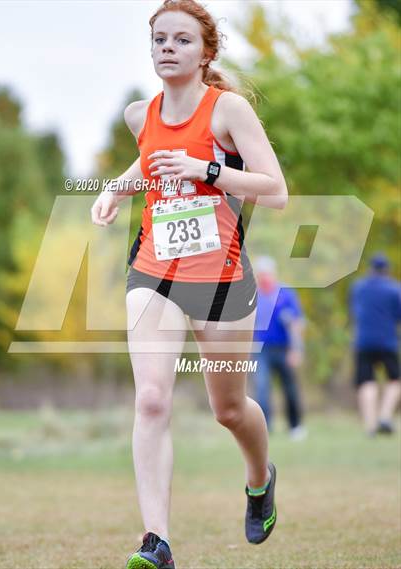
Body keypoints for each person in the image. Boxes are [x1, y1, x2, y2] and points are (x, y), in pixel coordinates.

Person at [91, 1, 288, 567]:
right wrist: (116, 189)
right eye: (159, 39)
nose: (167, 48)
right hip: (154, 271)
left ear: (206, 53)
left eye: (181, 39)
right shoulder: (139, 114)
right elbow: (152, 159)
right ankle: (157, 542)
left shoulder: (228, 111)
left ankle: (259, 479)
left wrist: (209, 171)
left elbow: (275, 191)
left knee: (228, 408)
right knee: (151, 399)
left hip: (222, 278)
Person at [251, 256, 306, 440]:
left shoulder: (286, 293)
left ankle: (295, 426)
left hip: (284, 349)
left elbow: (296, 323)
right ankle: (265, 428)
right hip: (261, 351)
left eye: (267, 274)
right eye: (260, 275)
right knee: (262, 388)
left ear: (273, 274)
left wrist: (296, 350)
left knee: (290, 388)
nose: (264, 278)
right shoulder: (252, 295)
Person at [349, 253, 401, 436]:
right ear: (386, 269)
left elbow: (355, 312)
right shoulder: (395, 289)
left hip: (363, 341)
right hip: (387, 341)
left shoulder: (358, 287)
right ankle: (385, 417)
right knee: (395, 379)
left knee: (366, 381)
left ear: (371, 268)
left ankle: (370, 426)